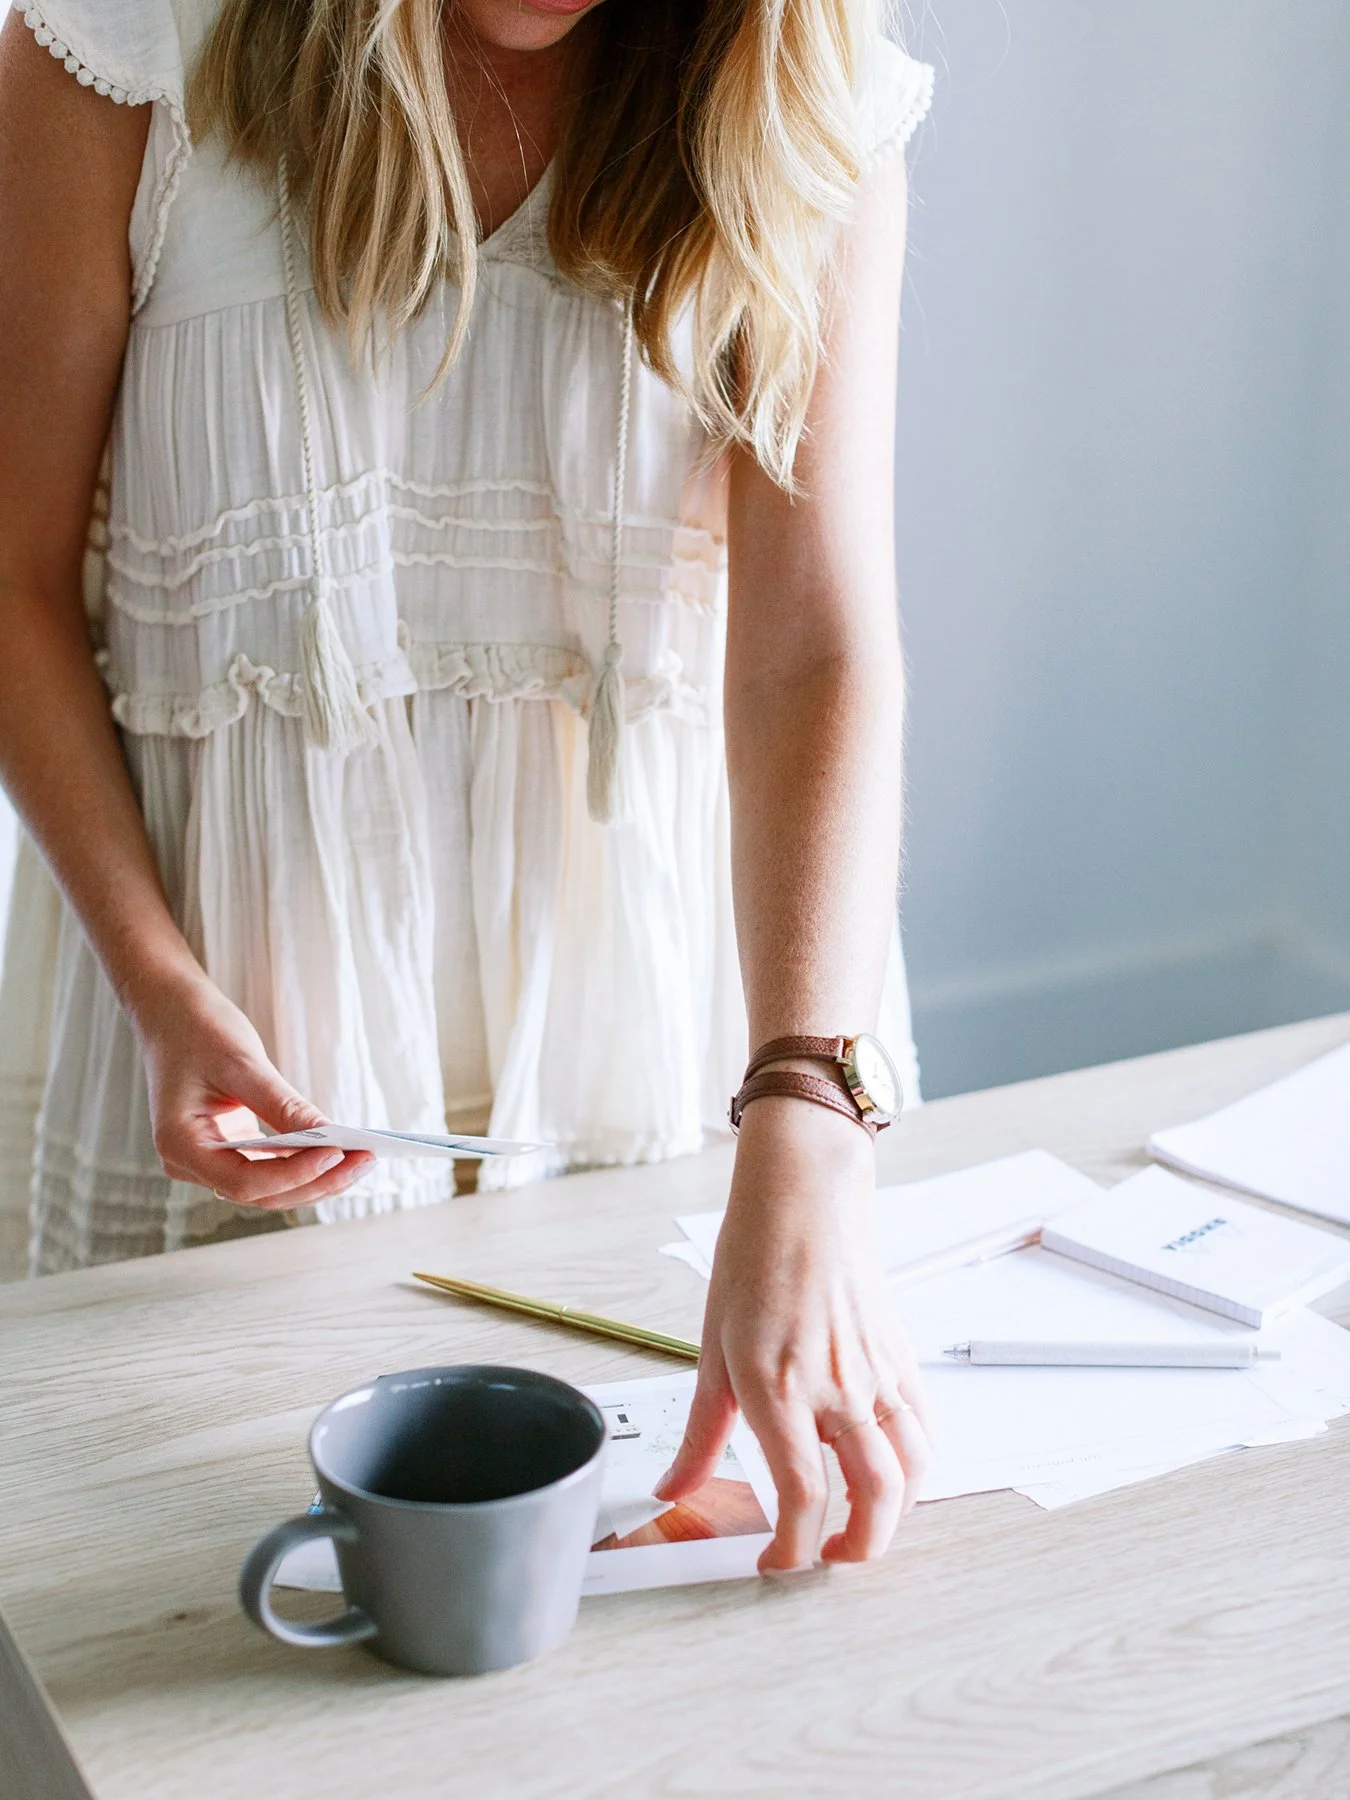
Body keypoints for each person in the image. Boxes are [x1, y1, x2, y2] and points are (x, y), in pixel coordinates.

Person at [0, 0, 933, 1570]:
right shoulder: (125, 52)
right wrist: (163, 989)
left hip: (663, 1047)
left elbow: (812, 652)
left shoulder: (808, 89)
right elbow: (10, 580)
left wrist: (805, 1103)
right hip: (224, 1034)